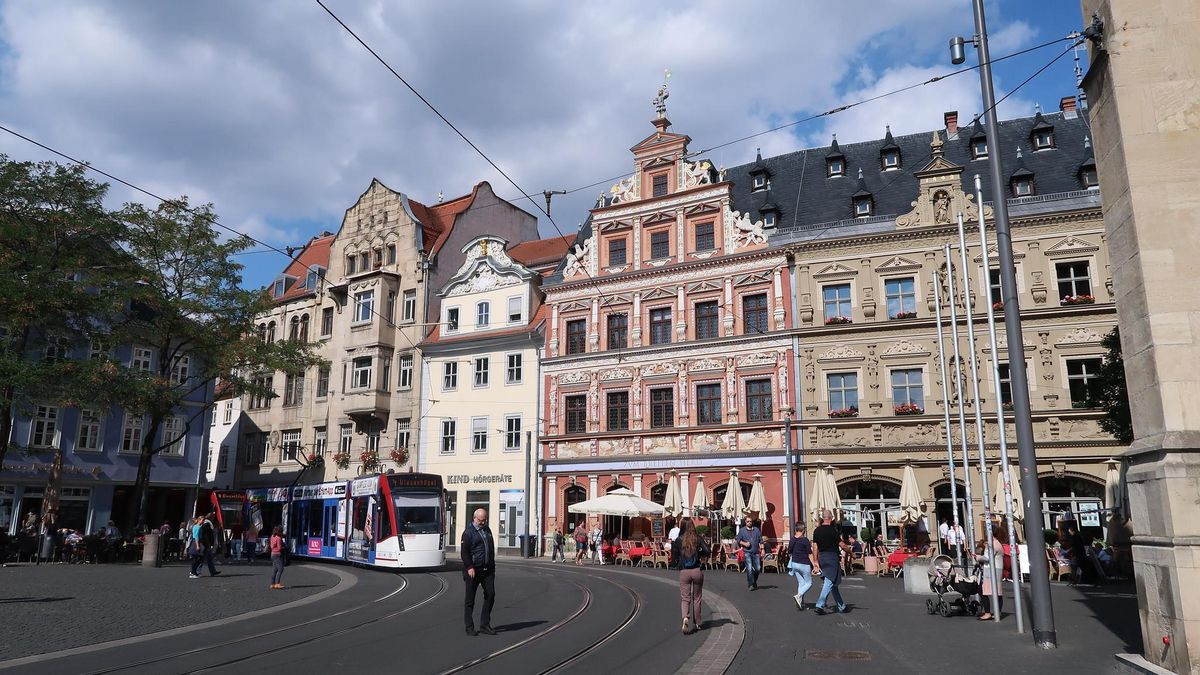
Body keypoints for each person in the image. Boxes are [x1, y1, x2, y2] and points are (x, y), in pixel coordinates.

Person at [461, 508, 496, 636]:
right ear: (475, 518)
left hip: (487, 570)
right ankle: (469, 627)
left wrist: (492, 567)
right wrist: (469, 566)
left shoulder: (487, 530)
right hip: (473, 571)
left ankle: (484, 624)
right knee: (470, 600)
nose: (483, 522)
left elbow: (490, 549)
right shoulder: (468, 533)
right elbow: (464, 553)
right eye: (481, 520)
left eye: (484, 520)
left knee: (491, 595)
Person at [671, 517, 708, 635]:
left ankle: (685, 618)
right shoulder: (697, 538)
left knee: (685, 598)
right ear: (693, 526)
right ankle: (697, 623)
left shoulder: (678, 540)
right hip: (697, 570)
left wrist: (676, 563)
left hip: (684, 572)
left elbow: (674, 558)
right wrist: (699, 554)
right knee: (697, 598)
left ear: (681, 526)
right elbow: (707, 551)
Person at [811, 509, 848, 615]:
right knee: (830, 581)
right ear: (831, 519)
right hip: (832, 557)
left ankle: (841, 606)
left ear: (822, 518)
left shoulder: (817, 531)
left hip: (822, 557)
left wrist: (815, 561)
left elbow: (815, 546)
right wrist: (850, 552)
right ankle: (820, 605)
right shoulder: (833, 531)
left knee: (833, 582)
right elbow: (842, 545)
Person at [975, 527, 1006, 621]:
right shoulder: (998, 543)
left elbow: (987, 558)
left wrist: (978, 557)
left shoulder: (991, 544)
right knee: (997, 592)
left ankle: (987, 612)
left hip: (991, 569)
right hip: (999, 568)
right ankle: (998, 612)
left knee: (982, 590)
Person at [787, 524, 814, 610]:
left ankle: (800, 603)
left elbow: (789, 551)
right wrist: (814, 564)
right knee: (809, 583)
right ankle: (799, 595)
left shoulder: (792, 539)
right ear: (803, 530)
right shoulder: (805, 540)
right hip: (804, 563)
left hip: (795, 563)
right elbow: (810, 553)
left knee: (801, 583)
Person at [735, 515, 763, 591]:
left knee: (758, 568)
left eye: (750, 521)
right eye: (748, 521)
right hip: (747, 552)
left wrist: (763, 549)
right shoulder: (742, 530)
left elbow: (761, 540)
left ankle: (754, 581)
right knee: (749, 568)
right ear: (745, 522)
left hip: (756, 552)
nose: (749, 523)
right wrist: (744, 544)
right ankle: (750, 584)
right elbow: (738, 539)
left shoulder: (756, 530)